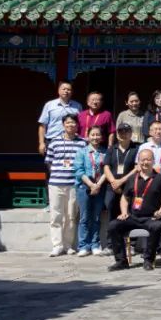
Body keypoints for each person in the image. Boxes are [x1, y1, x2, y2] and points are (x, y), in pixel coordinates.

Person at [106, 149, 161, 271]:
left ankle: (148, 260)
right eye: (142, 160)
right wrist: (124, 212)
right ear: (138, 162)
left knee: (156, 226)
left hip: (151, 218)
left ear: (153, 161)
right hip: (133, 217)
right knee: (113, 226)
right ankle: (121, 261)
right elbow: (124, 198)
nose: (145, 162)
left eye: (148, 159)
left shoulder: (160, 179)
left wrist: (160, 212)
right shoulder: (132, 178)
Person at [45, 114, 85, 256]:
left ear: (77, 125)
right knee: (56, 215)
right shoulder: (54, 142)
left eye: (73, 123)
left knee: (71, 216)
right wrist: (58, 173)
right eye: (68, 123)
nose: (70, 125)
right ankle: (57, 245)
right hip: (56, 184)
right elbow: (49, 162)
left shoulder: (82, 143)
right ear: (63, 125)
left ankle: (68, 245)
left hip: (73, 185)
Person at [73, 124, 108, 256]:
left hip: (100, 187)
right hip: (84, 187)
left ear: (102, 137)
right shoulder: (82, 152)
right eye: (92, 134)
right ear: (88, 137)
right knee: (84, 217)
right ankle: (83, 245)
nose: (95, 137)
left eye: (98, 134)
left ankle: (95, 244)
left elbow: (107, 170)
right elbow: (78, 171)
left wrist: (98, 185)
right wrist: (91, 185)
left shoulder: (105, 152)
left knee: (97, 217)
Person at [38, 82, 82, 166]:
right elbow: (42, 125)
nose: (66, 91)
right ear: (58, 91)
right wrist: (41, 143)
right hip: (52, 140)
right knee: (51, 166)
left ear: (72, 92)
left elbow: (80, 124)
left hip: (71, 141)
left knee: (67, 167)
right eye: (64, 89)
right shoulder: (49, 105)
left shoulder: (77, 106)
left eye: (68, 89)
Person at [104, 122, 139, 220]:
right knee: (110, 207)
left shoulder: (136, 148)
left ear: (131, 133)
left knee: (129, 214)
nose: (123, 134)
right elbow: (106, 167)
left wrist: (121, 181)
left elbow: (137, 168)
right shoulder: (111, 149)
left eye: (126, 132)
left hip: (129, 186)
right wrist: (113, 182)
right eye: (120, 132)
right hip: (112, 187)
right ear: (117, 134)